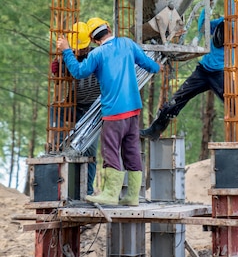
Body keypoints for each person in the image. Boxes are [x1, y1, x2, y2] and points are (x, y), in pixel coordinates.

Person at [57, 17, 162, 206]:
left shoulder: (98, 54)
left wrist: (66, 50)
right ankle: (131, 196)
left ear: (94, 39)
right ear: (108, 28)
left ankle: (111, 194)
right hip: (133, 110)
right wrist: (158, 66)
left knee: (110, 151)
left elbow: (79, 72)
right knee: (131, 151)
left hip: (114, 112)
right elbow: (150, 65)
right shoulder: (127, 44)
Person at [140, 0, 238, 140]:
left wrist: (230, 7)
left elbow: (233, 29)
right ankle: (155, 129)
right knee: (177, 99)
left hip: (221, 73)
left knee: (236, 103)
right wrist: (207, 7)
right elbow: (203, 27)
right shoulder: (223, 22)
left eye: (234, 4)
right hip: (203, 70)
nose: (231, 6)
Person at [51, 21, 100, 195]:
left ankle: (86, 191)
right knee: (55, 109)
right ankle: (56, 145)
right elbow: (64, 72)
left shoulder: (97, 55)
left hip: (94, 110)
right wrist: (58, 69)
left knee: (90, 151)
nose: (80, 51)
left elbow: (79, 71)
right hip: (75, 105)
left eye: (83, 47)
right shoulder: (69, 56)